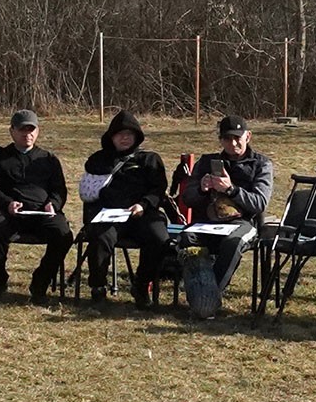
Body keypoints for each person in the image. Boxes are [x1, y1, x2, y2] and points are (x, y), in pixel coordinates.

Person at [73, 109, 173, 306]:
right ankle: (98, 287)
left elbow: (159, 189)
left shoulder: (150, 159)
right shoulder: (98, 160)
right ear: (111, 137)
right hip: (109, 214)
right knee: (101, 237)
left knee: (159, 239)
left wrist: (143, 204)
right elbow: (89, 191)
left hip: (142, 213)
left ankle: (142, 285)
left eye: (130, 134)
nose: (125, 138)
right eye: (120, 134)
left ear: (137, 136)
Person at [0, 109, 73, 305]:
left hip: (41, 214)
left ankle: (40, 282)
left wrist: (52, 204)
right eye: (22, 129)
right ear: (12, 131)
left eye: (32, 130)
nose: (27, 134)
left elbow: (59, 190)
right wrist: (7, 203)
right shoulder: (0, 158)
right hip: (9, 214)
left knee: (63, 234)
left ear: (37, 132)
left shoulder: (48, 159)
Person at [181, 115, 276, 304]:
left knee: (233, 242)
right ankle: (201, 291)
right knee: (186, 238)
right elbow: (187, 199)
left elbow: (259, 203)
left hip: (243, 223)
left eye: (237, 138)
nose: (232, 143)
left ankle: (209, 295)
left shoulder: (261, 164)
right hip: (207, 222)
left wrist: (231, 190)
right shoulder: (207, 162)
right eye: (227, 138)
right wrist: (201, 188)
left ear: (248, 137)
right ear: (221, 140)